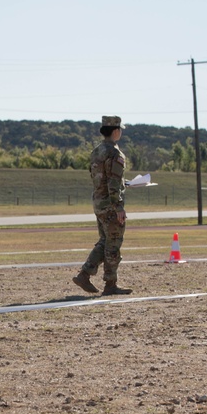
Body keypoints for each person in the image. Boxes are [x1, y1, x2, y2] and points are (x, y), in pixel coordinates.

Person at [72, 115, 132, 296]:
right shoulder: (115, 153)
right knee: (113, 244)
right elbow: (113, 183)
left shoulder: (96, 151)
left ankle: (85, 274)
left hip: (98, 202)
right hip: (110, 205)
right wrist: (119, 206)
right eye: (120, 129)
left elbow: (101, 178)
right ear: (115, 131)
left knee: (105, 241)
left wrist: (124, 183)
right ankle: (110, 284)